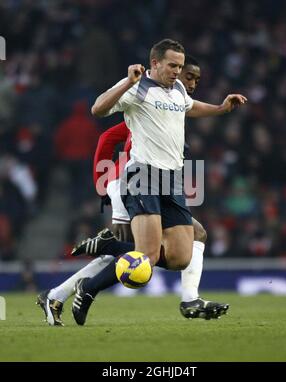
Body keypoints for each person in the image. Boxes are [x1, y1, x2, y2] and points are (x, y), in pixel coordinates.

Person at [36, 56, 229, 326]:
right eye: (187, 76)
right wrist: (104, 184)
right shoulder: (146, 104)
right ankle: (186, 298)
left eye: (196, 79)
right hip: (132, 181)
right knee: (140, 253)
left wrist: (220, 108)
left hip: (158, 184)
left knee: (160, 245)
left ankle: (59, 293)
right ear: (164, 69)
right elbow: (107, 138)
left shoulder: (175, 105)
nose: (191, 83)